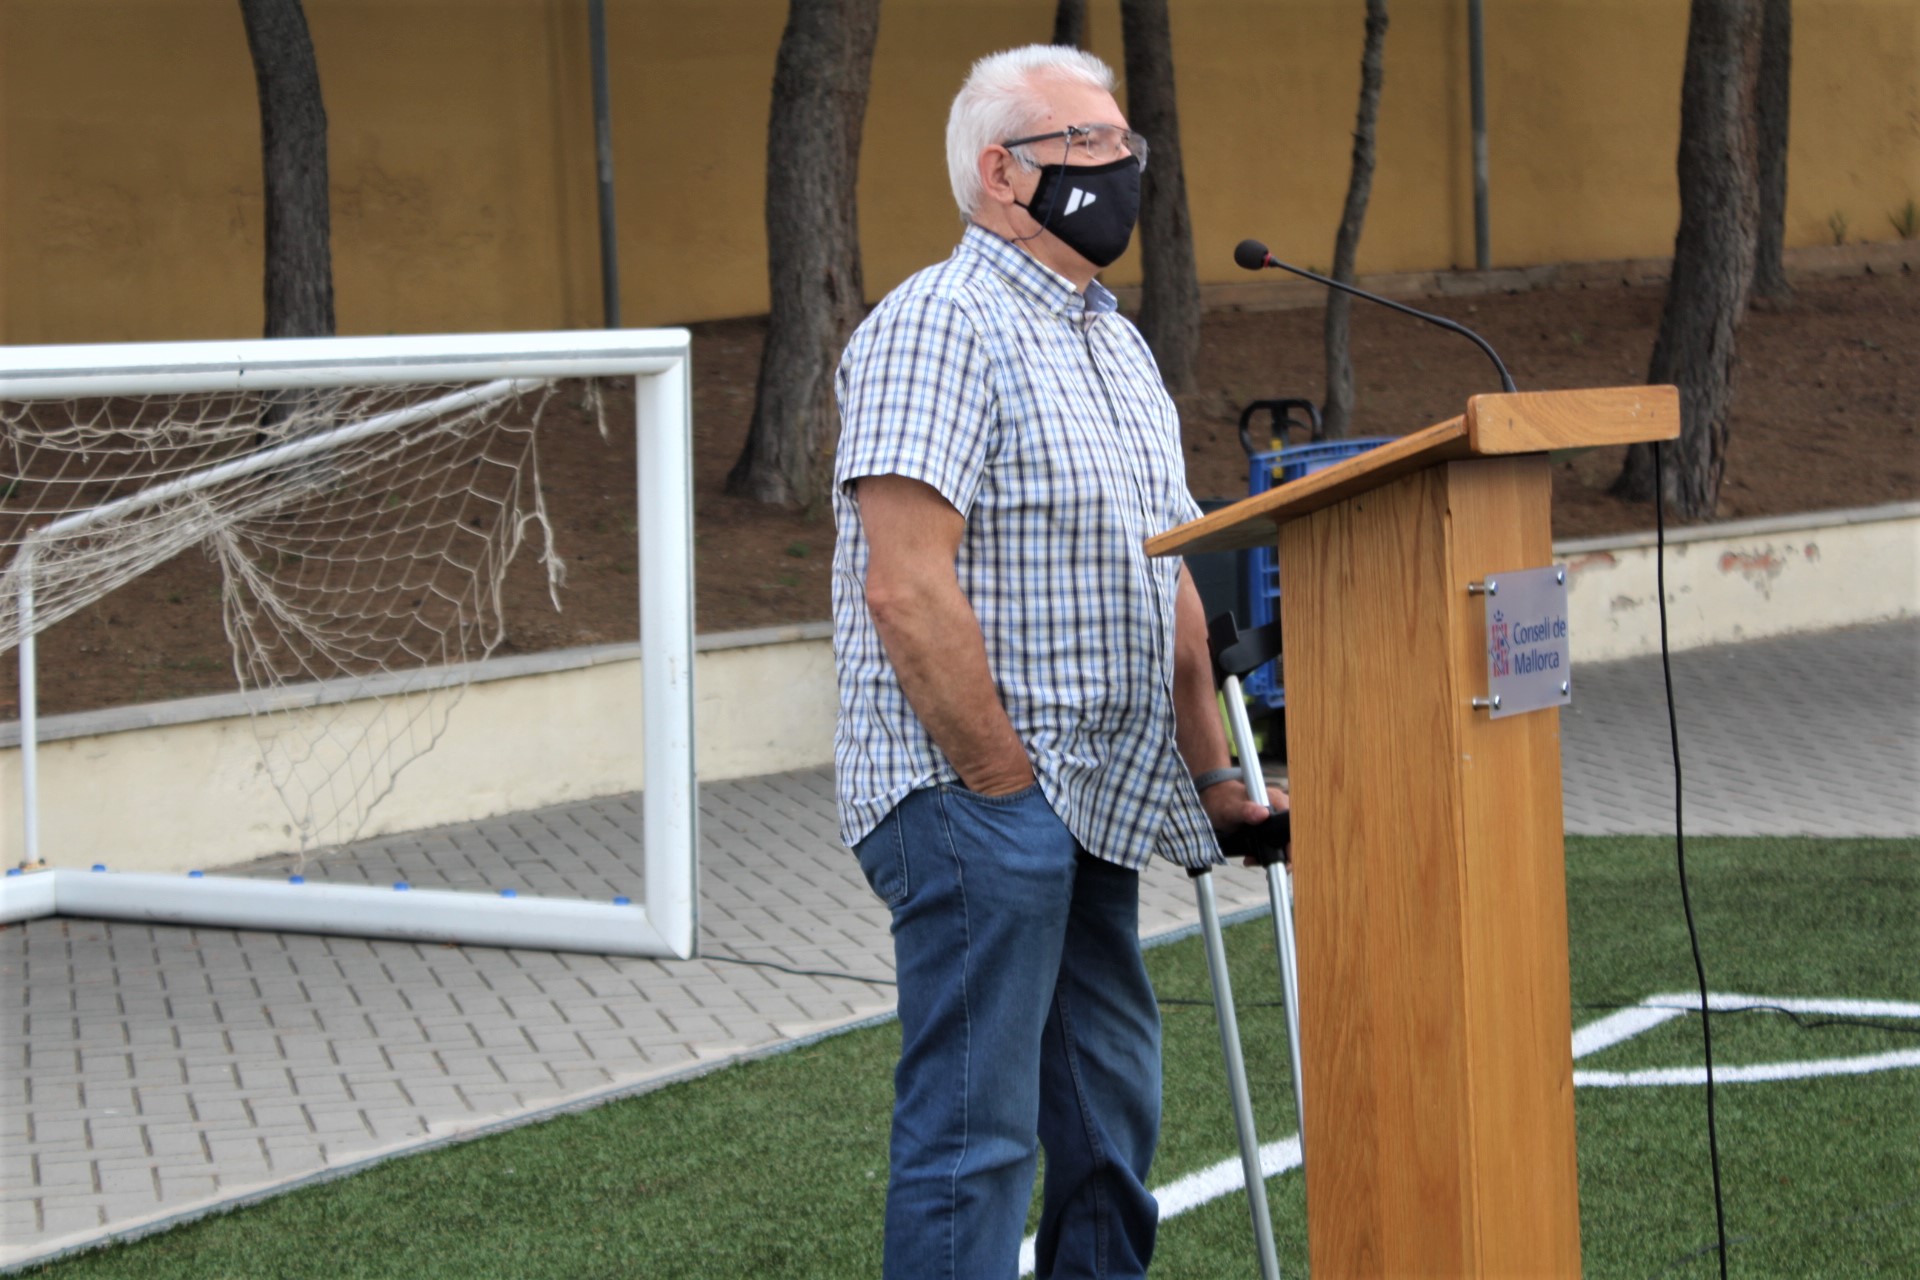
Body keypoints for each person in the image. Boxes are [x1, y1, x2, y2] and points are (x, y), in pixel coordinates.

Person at [832, 44, 1282, 1280]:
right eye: (1092, 146)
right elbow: (906, 583)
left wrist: (1213, 778)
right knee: (977, 1138)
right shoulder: (937, 323)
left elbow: (1169, 579)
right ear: (1001, 174)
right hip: (973, 797)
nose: (1126, 166)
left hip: (1087, 794)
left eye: (1126, 143)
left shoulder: (1114, 345)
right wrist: (1000, 786)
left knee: (1107, 1117)